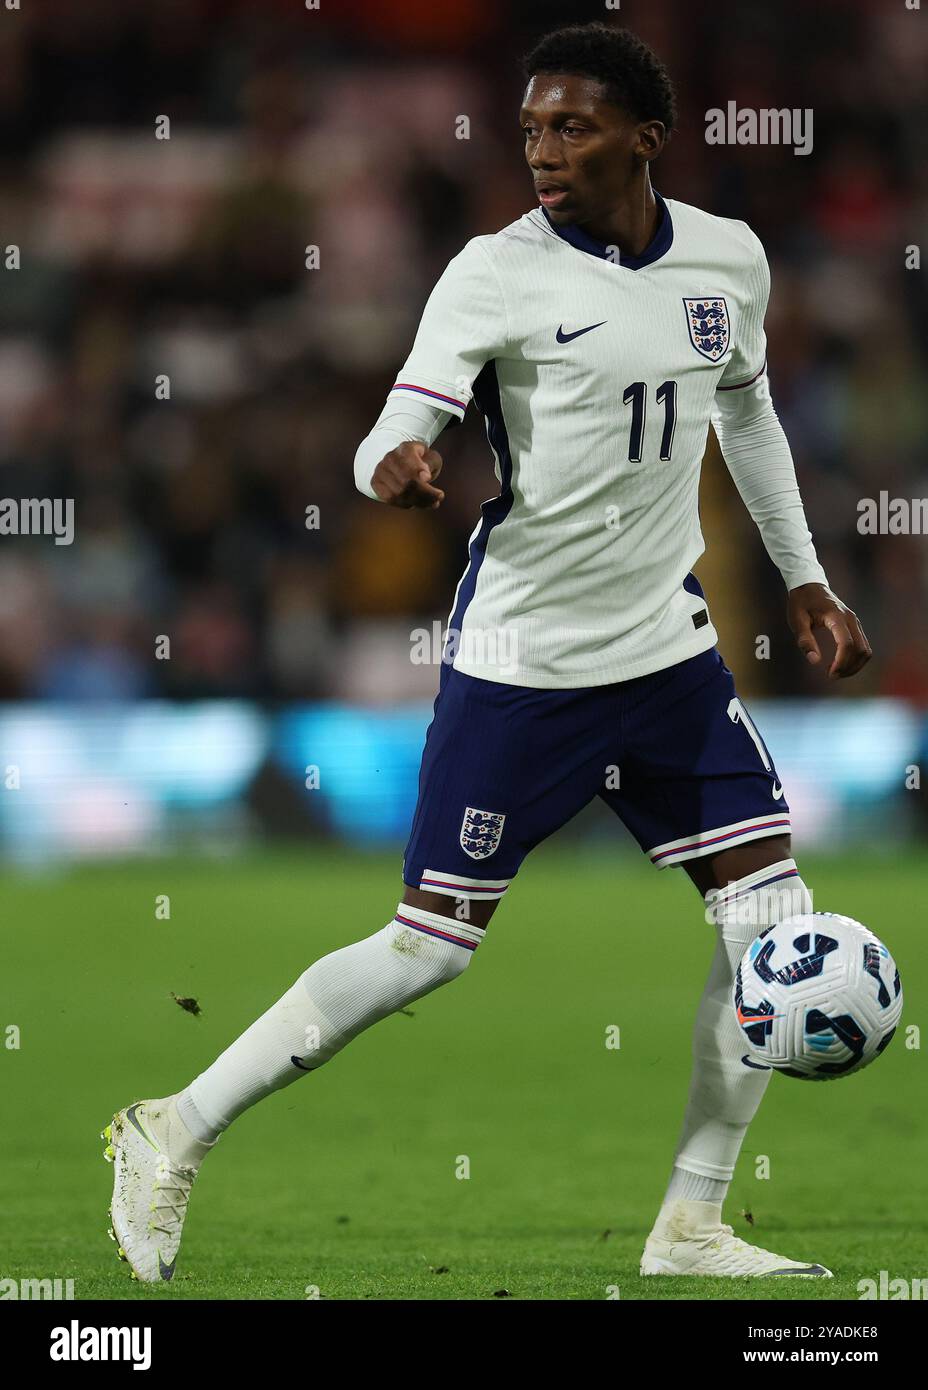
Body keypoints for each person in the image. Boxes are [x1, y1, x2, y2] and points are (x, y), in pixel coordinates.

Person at [105, 22, 870, 1283]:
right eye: (528, 129)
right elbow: (396, 420)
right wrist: (391, 466)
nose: (543, 152)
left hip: (666, 649)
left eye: (572, 127)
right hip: (523, 659)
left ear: (645, 137)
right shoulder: (493, 272)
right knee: (427, 949)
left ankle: (689, 1223)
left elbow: (747, 408)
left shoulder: (729, 259)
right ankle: (169, 1128)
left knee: (767, 922)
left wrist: (805, 575)